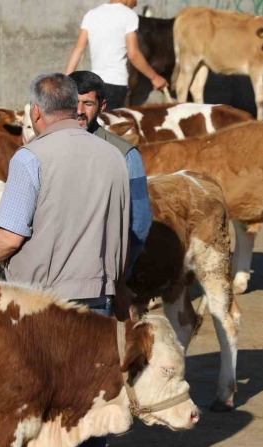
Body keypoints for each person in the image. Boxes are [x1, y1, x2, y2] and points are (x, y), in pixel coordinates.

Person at [0, 73, 130, 447]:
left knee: (47, 412)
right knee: (88, 402)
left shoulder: (31, 158)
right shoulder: (113, 156)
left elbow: (9, 237)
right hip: (99, 295)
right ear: (74, 106)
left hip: (44, 305)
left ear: (36, 112)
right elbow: (123, 232)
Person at [69, 70, 152, 311]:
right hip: (47, 283)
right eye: (73, 102)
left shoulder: (125, 154)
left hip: (99, 283)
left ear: (102, 106)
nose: (79, 111)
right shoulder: (42, 148)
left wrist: (119, 273)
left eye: (87, 103)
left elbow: (140, 220)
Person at [65, 0, 167, 110]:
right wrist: (154, 77)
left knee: (96, 123)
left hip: (95, 85)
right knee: (111, 125)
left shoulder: (91, 14)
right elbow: (133, 54)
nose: (136, 3)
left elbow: (78, 49)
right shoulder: (129, 16)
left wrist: (66, 80)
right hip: (116, 85)